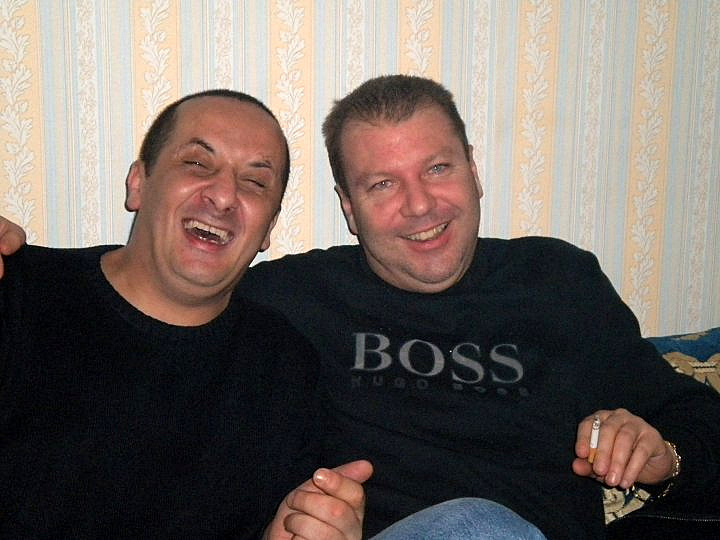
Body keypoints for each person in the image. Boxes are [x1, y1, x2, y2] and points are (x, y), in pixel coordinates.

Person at [3, 77, 720, 538]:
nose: (419, 205)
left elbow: (698, 420)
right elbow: (158, 295)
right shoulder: (289, 306)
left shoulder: (559, 283)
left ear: (473, 170)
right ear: (348, 208)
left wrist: (667, 455)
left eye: (437, 168)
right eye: (381, 184)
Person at [0, 89, 372, 539]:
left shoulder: (285, 367)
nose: (224, 196)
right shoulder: (18, 291)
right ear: (138, 183)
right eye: (197, 163)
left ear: (268, 229)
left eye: (255, 182)